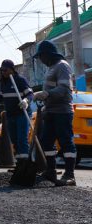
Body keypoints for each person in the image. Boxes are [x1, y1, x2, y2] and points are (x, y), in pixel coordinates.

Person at [33, 40, 76, 186]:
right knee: (47, 142)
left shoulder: (62, 66)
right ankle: (50, 171)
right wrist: (45, 103)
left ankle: (70, 175)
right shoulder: (51, 68)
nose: (41, 60)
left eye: (41, 56)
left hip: (62, 112)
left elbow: (64, 90)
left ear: (48, 54)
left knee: (66, 142)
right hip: (50, 111)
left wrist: (46, 94)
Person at [0, 59, 33, 185]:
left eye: (5, 70)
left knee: (22, 139)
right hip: (11, 115)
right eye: (1, 70)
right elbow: (0, 96)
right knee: (14, 139)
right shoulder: (3, 82)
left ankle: (24, 165)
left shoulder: (20, 80)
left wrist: (26, 101)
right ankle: (20, 162)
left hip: (22, 114)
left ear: (11, 69)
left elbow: (30, 94)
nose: (3, 72)